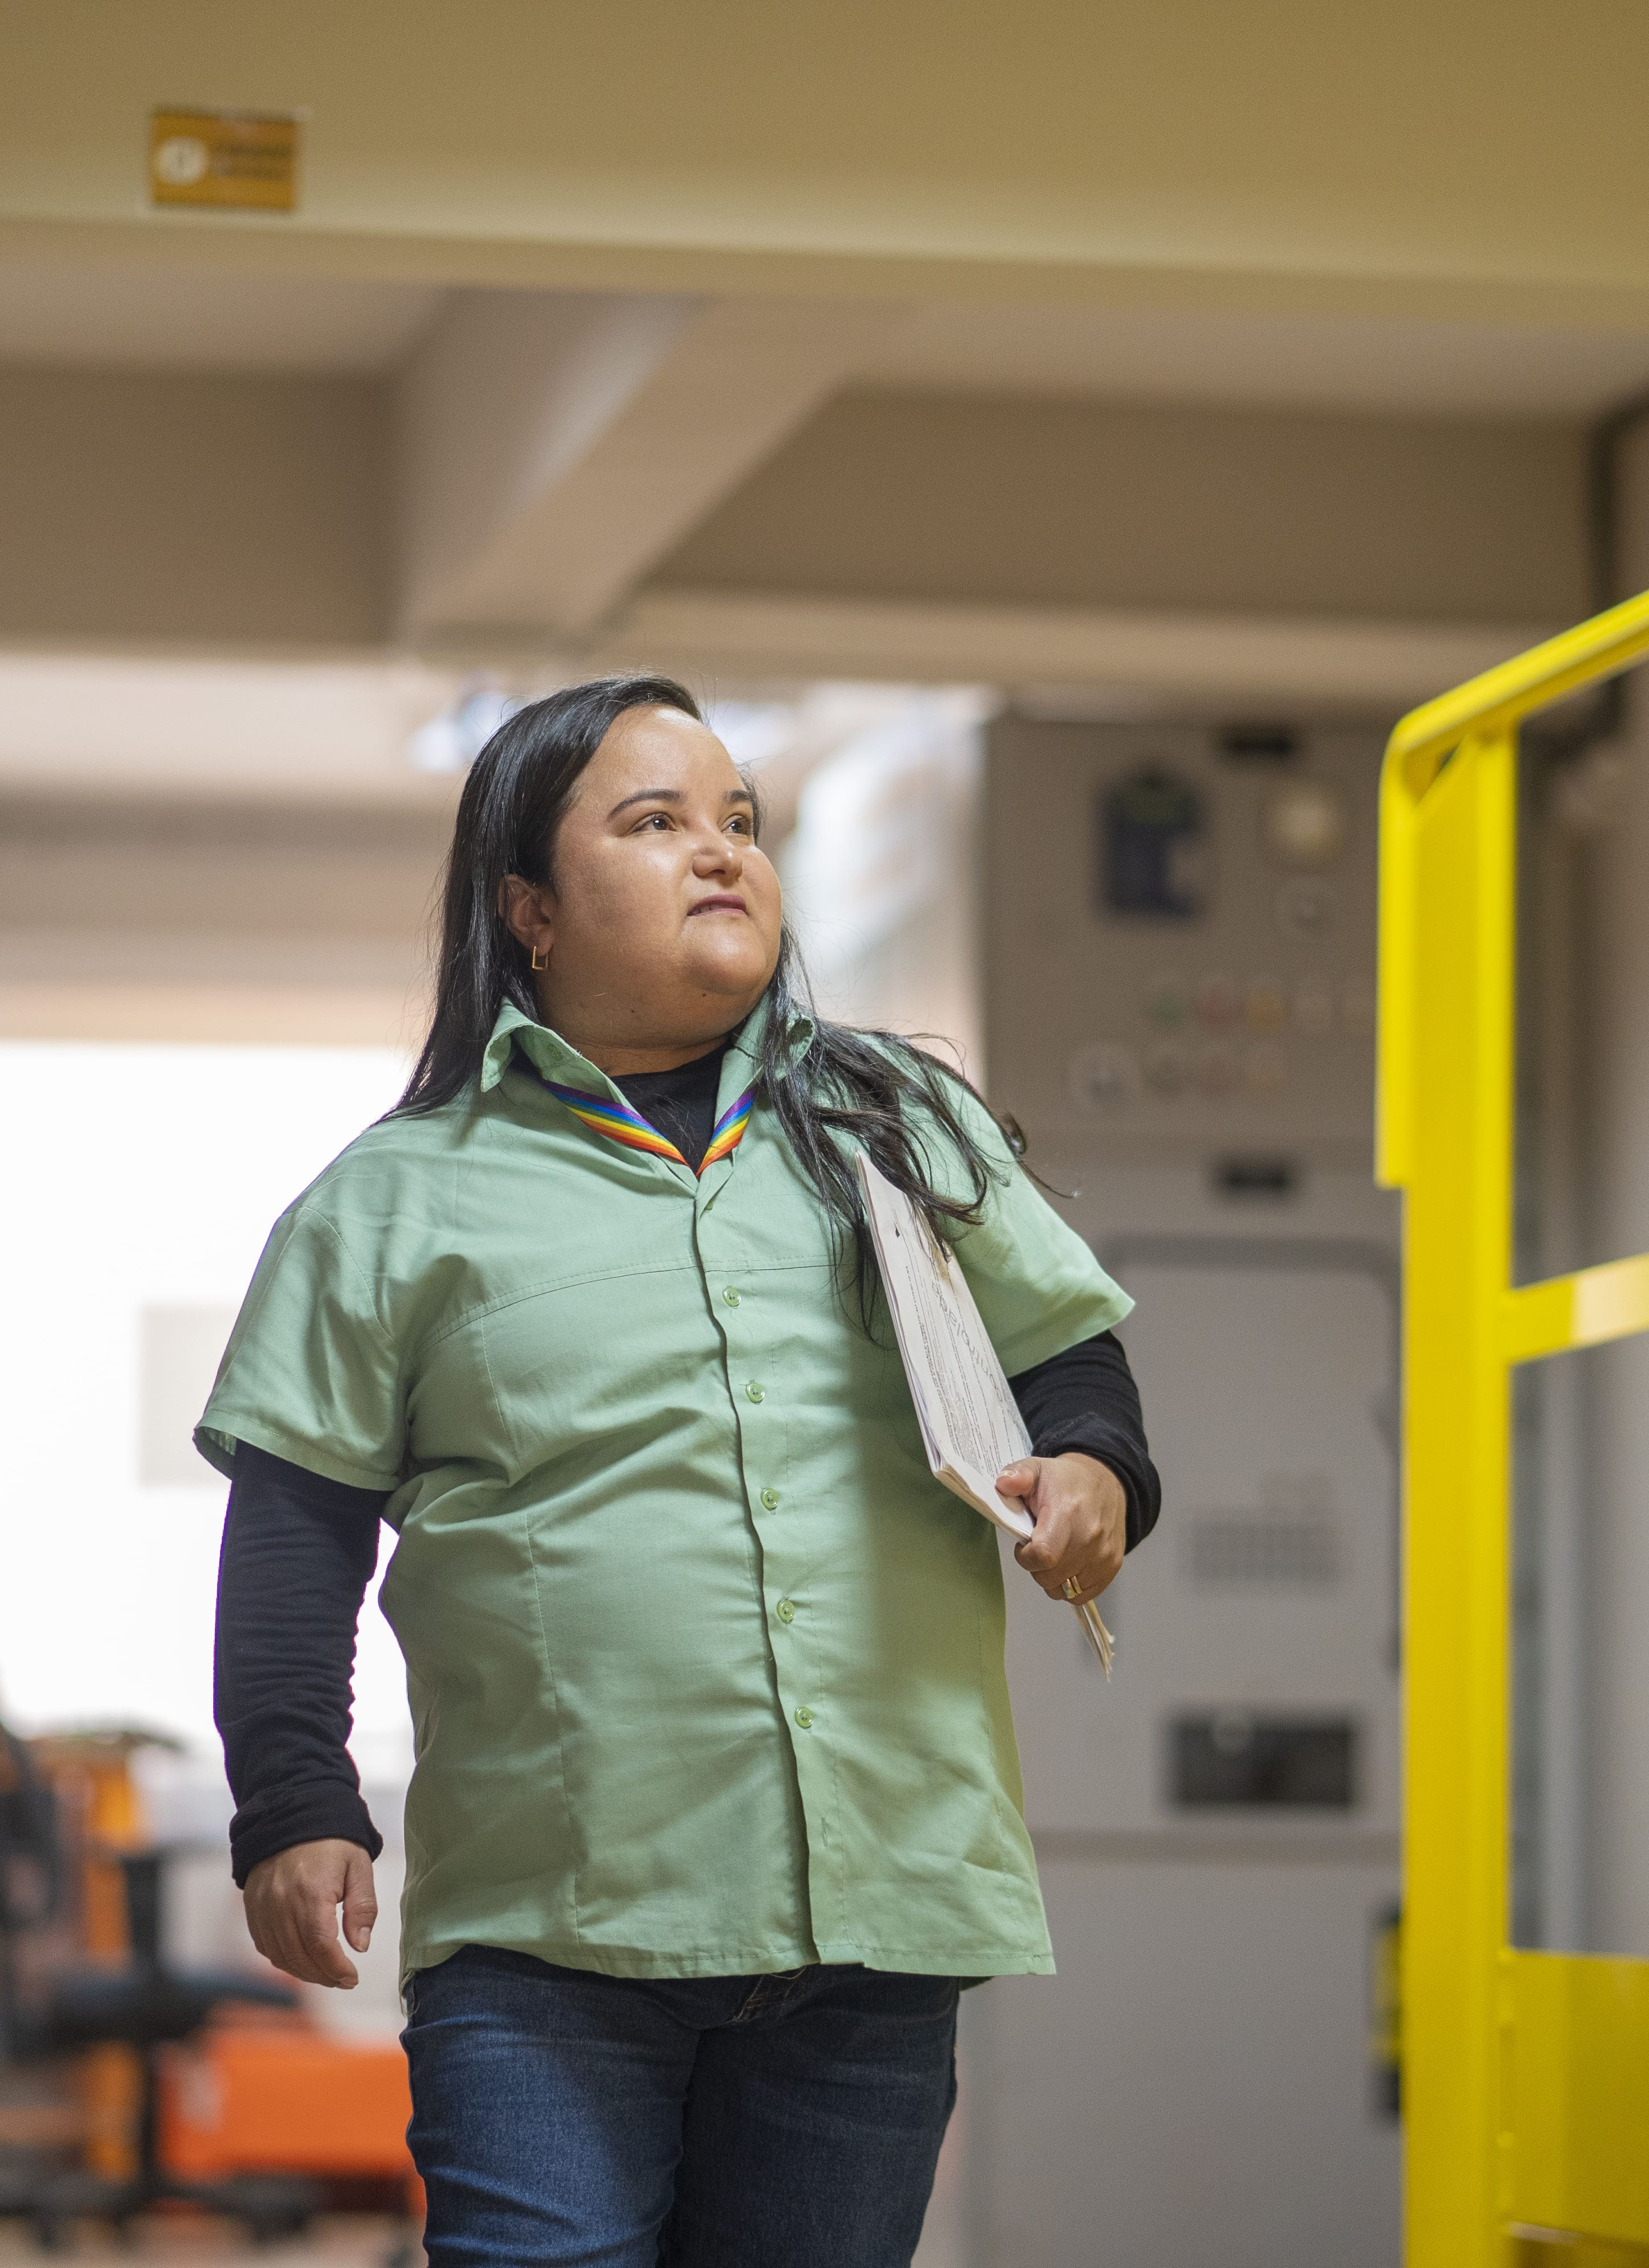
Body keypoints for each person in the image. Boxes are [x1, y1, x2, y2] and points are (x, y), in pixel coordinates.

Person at [196, 674, 1160, 2267]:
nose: (721, 853)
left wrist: (1096, 1472)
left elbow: (1067, 1358)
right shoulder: (391, 1201)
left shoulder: (896, 1124)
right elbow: (295, 1531)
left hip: (883, 1911)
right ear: (532, 914)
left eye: (739, 822)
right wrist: (292, 1799)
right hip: (551, 1941)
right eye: (653, 824)